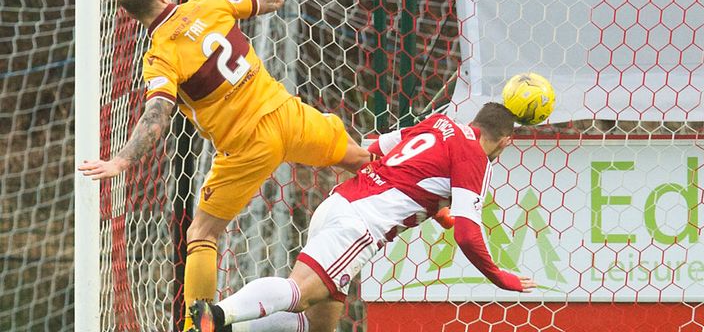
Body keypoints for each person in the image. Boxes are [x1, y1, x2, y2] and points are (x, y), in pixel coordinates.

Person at [77, 0, 370, 330]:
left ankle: (194, 324)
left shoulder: (160, 57)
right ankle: (430, 198)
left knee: (202, 232)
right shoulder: (209, 4)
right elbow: (272, 1)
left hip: (246, 145)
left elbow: (156, 117)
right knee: (361, 161)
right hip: (287, 115)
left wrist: (121, 160)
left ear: (130, 15)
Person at [190, 102, 538, 332]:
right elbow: (467, 232)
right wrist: (498, 277)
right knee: (299, 293)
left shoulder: (439, 124)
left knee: (314, 323)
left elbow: (374, 148)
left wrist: (435, 209)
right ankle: (216, 316)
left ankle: (224, 323)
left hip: (339, 203)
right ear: (505, 142)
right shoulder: (475, 156)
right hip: (360, 226)